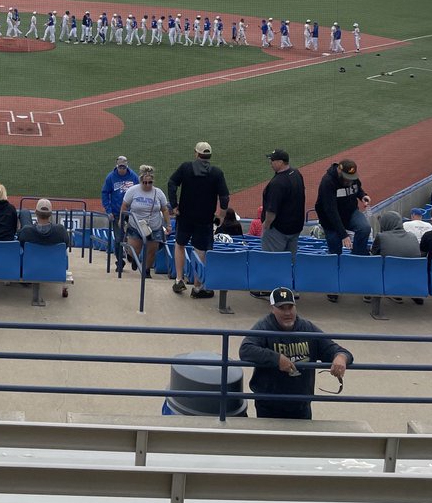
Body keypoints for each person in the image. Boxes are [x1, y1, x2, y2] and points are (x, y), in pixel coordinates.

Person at [239, 287, 352, 420]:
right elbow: (246, 349)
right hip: (269, 405)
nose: (287, 313)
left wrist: (340, 358)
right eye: (282, 308)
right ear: (272, 309)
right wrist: (277, 359)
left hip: (301, 405)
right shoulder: (265, 326)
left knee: (301, 441)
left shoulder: (307, 328)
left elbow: (338, 351)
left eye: (290, 307)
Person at [167, 140, 230, 298]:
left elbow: (172, 183)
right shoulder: (216, 172)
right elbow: (224, 197)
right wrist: (221, 216)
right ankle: (197, 287)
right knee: (200, 251)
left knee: (180, 244)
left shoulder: (186, 168)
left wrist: (174, 205)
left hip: (185, 216)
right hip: (205, 219)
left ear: (196, 153)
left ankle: (179, 279)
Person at [315, 158, 371, 258]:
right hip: (330, 220)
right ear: (339, 171)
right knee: (335, 252)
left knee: (365, 228)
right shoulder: (327, 182)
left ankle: (357, 257)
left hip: (350, 213)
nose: (349, 180)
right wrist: (344, 235)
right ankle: (337, 266)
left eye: (351, 177)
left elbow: (357, 188)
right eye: (347, 177)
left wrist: (362, 196)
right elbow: (331, 211)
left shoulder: (352, 178)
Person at [120, 166, 170, 276]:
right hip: (136, 225)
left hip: (154, 227)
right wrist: (121, 219)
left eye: (150, 182)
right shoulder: (133, 191)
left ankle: (146, 271)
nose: (147, 185)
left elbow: (165, 209)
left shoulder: (158, 193)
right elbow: (124, 206)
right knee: (134, 249)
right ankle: (133, 258)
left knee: (152, 251)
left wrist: (168, 225)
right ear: (141, 181)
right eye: (145, 182)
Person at [261, 149, 306, 256]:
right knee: (290, 263)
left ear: (280, 162)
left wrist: (266, 225)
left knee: (273, 263)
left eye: (272, 160)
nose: (270, 163)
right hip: (295, 228)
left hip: (278, 231)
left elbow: (271, 211)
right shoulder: (296, 173)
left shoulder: (277, 183)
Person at [101, 155, 139, 272]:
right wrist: (109, 211)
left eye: (124, 167)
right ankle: (120, 261)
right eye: (120, 167)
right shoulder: (111, 177)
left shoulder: (134, 176)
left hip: (132, 213)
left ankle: (133, 257)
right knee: (118, 239)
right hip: (117, 213)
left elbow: (139, 191)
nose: (122, 169)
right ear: (116, 166)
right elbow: (105, 193)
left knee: (136, 236)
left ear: (127, 165)